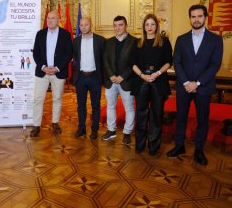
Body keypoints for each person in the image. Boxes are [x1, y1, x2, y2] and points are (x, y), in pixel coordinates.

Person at [167, 4, 223, 165]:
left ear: (205, 17)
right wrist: (186, 82)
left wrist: (197, 83)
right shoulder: (181, 39)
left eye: (199, 16)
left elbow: (214, 65)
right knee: (181, 118)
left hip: (203, 87)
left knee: (202, 120)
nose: (196, 19)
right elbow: (176, 62)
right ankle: (179, 146)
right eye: (193, 16)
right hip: (183, 87)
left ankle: (199, 150)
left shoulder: (215, 40)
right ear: (189, 18)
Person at [131, 14, 173, 156]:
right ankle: (140, 144)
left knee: (156, 115)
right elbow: (132, 64)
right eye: (147, 24)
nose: (149, 27)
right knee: (141, 114)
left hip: (158, 81)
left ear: (157, 26)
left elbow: (168, 62)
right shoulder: (138, 43)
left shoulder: (164, 42)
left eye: (152, 24)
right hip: (141, 81)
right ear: (144, 26)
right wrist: (143, 75)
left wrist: (157, 74)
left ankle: (153, 147)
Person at [30, 11, 73, 137]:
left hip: (58, 73)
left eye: (52, 18)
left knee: (57, 98)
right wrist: (43, 67)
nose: (49, 20)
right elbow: (35, 53)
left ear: (58, 19)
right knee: (38, 99)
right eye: (48, 18)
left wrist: (57, 68)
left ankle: (55, 123)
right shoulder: (40, 34)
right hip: (42, 72)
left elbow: (68, 53)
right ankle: (36, 125)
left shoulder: (65, 34)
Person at [102, 15, 137, 144]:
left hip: (126, 81)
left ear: (126, 25)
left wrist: (123, 76)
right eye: (115, 25)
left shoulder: (135, 41)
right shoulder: (109, 41)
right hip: (110, 81)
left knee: (129, 108)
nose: (117, 28)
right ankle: (111, 131)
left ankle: (127, 133)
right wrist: (111, 75)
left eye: (120, 25)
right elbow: (105, 60)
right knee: (110, 106)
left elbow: (135, 62)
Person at [73, 17, 105, 139]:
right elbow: (76, 57)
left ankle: (95, 130)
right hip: (81, 77)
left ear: (91, 25)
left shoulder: (100, 40)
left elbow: (103, 60)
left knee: (95, 105)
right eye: (81, 25)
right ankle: (81, 128)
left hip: (95, 78)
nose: (83, 27)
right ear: (79, 26)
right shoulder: (75, 41)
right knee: (81, 105)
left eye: (86, 24)